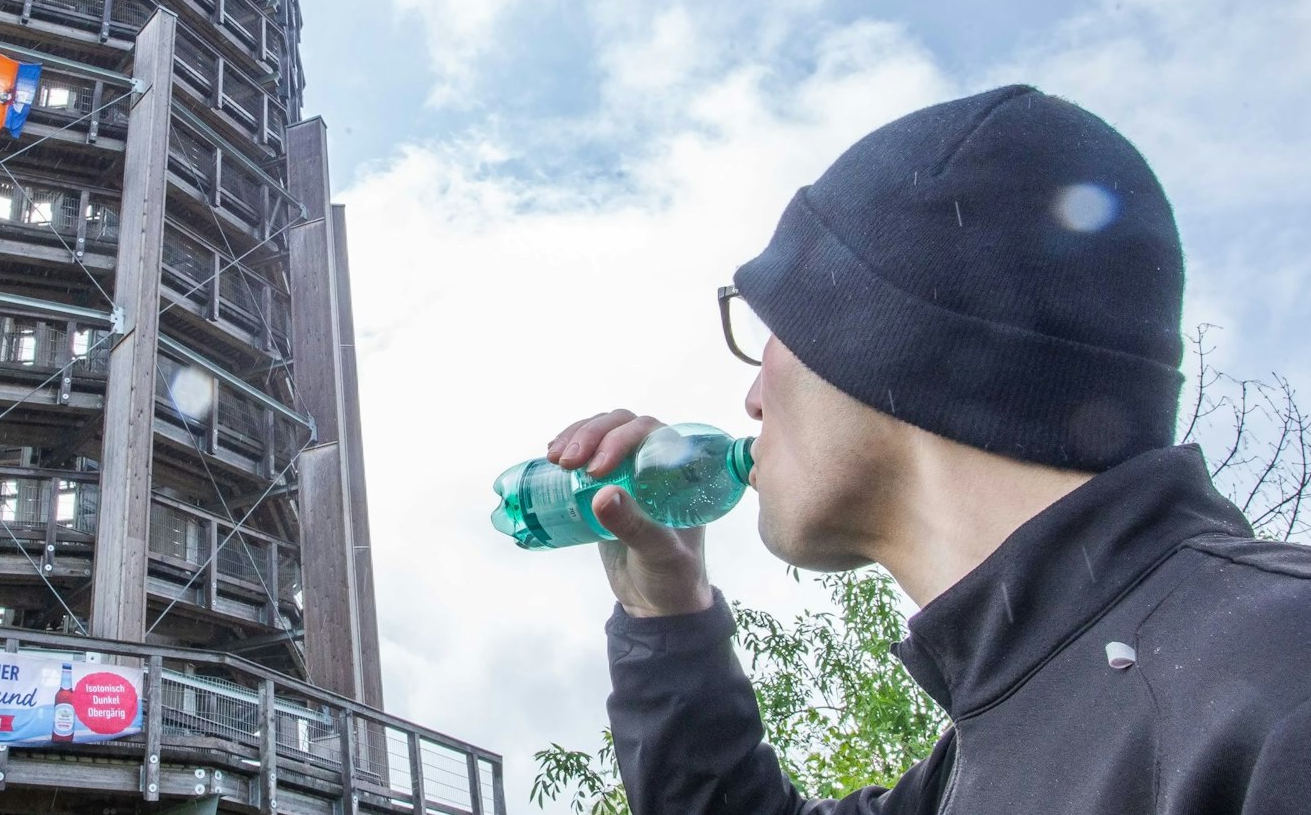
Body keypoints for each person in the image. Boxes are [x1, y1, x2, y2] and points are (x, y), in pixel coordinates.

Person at [548, 85, 1311, 814]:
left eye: (773, 326)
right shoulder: (1003, 744)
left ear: (881, 335)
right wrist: (666, 616)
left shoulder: (1279, 682)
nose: (752, 400)